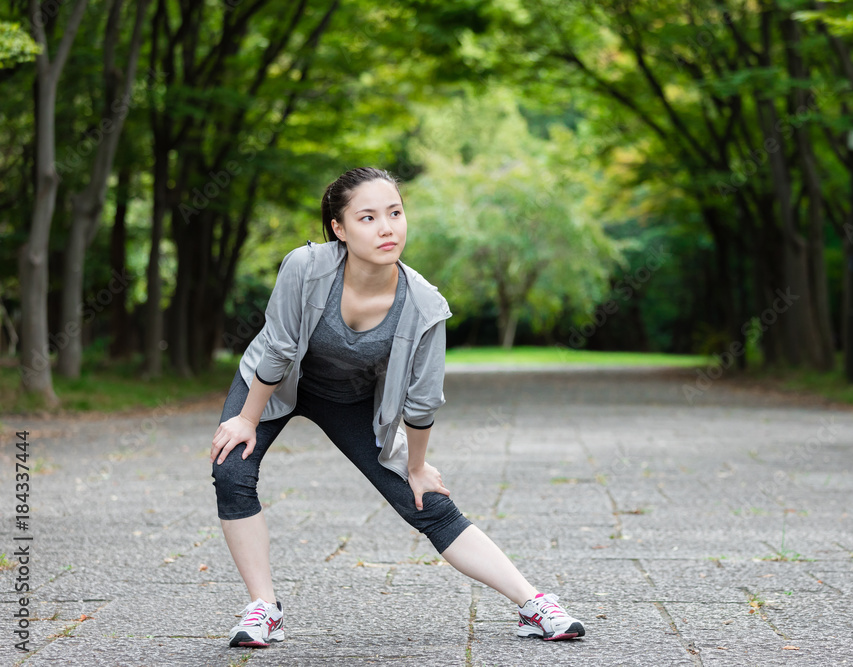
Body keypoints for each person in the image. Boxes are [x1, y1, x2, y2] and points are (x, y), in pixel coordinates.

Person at [210, 167, 585, 648]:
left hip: (350, 400)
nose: (387, 227)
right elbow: (278, 350)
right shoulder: (303, 268)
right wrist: (245, 419)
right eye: (367, 217)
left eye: (395, 213)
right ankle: (264, 607)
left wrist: (417, 465)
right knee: (231, 470)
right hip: (274, 384)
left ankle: (534, 604)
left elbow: (422, 402)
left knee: (425, 499)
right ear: (339, 229)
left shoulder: (425, 304)